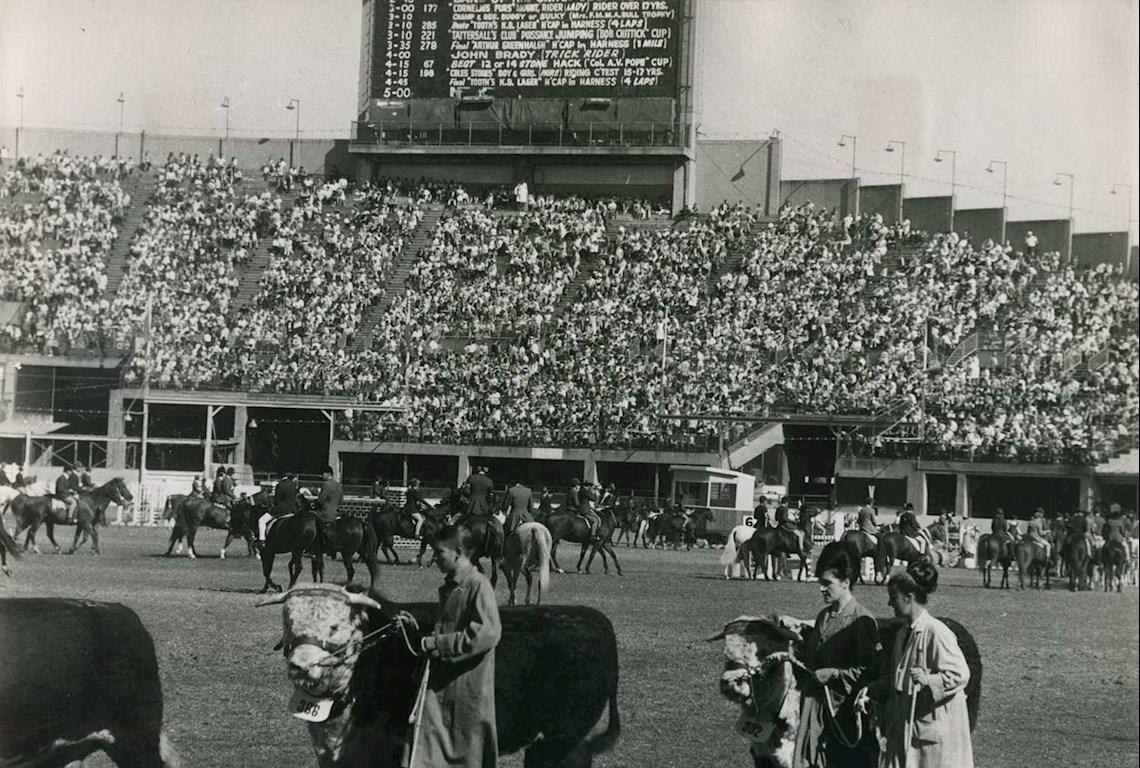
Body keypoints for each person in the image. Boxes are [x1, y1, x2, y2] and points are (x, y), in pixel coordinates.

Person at [855, 562, 974, 768]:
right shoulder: (903, 634)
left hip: (933, 737)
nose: (889, 604)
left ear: (908, 599)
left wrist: (929, 679)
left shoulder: (937, 632)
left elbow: (960, 674)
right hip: (908, 730)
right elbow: (899, 677)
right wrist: (871, 689)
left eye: (894, 598)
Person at [412, 524, 501, 768]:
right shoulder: (451, 585)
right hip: (444, 683)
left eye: (439, 553)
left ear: (459, 552)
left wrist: (438, 644)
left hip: (467, 685)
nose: (435, 558)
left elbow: (487, 633)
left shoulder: (478, 585)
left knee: (467, 752)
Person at [793, 546, 879, 768]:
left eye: (827, 583)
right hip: (817, 713)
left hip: (846, 717)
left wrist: (833, 674)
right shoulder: (823, 616)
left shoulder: (862, 620)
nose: (821, 588)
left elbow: (868, 671)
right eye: (820, 582)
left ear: (846, 581)